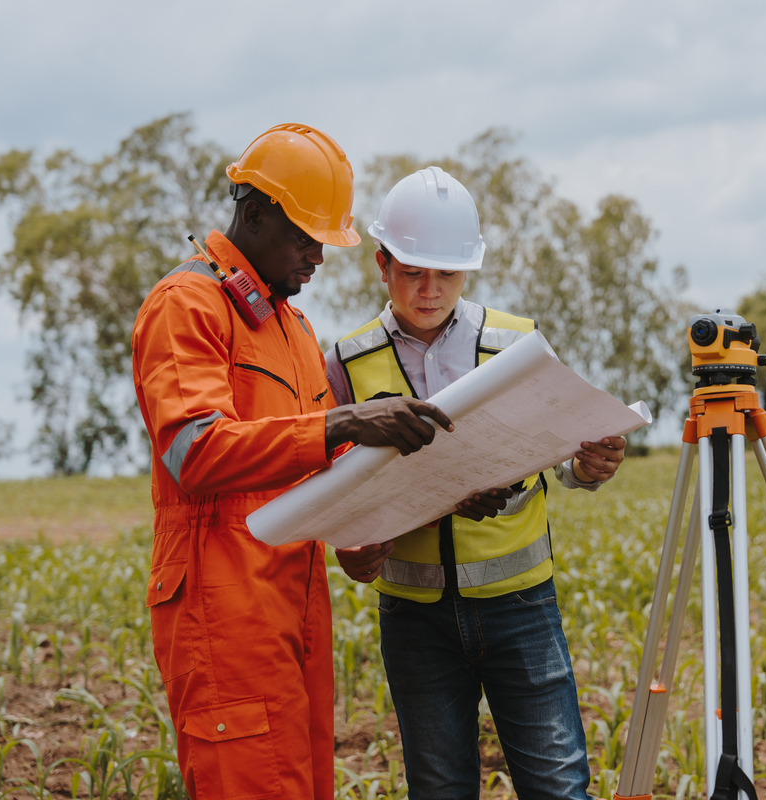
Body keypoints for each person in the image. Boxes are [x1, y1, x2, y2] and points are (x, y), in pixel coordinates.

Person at [132, 125, 454, 800]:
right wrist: (346, 420)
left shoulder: (292, 326)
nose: (318, 258)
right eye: (307, 238)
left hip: (293, 612)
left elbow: (323, 463)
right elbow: (197, 451)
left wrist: (416, 503)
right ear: (254, 215)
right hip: (223, 616)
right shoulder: (186, 304)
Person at [325, 165, 627, 800]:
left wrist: (588, 467)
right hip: (413, 618)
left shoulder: (519, 344)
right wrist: (350, 548)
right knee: (440, 789)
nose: (430, 290)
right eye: (413, 271)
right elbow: (338, 491)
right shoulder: (346, 363)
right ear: (382, 265)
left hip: (522, 606)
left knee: (558, 787)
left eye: (448, 273)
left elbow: (561, 456)